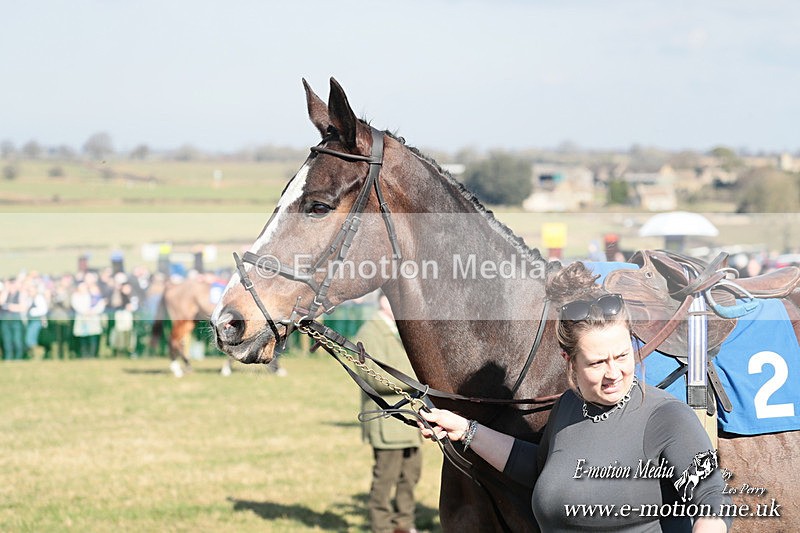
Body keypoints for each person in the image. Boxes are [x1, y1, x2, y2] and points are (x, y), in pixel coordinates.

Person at [420, 262, 732, 532]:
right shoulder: (569, 407)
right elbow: (543, 469)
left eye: (622, 356)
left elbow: (712, 497)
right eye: (597, 363)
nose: (614, 372)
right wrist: (466, 430)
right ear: (569, 360)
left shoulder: (666, 418)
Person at [355, 291, 422, 533]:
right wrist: (419, 381)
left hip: (410, 423)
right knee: (384, 481)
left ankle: (404, 525)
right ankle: (381, 528)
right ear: (383, 301)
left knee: (410, 477)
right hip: (387, 422)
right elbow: (375, 378)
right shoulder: (369, 332)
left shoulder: (403, 331)